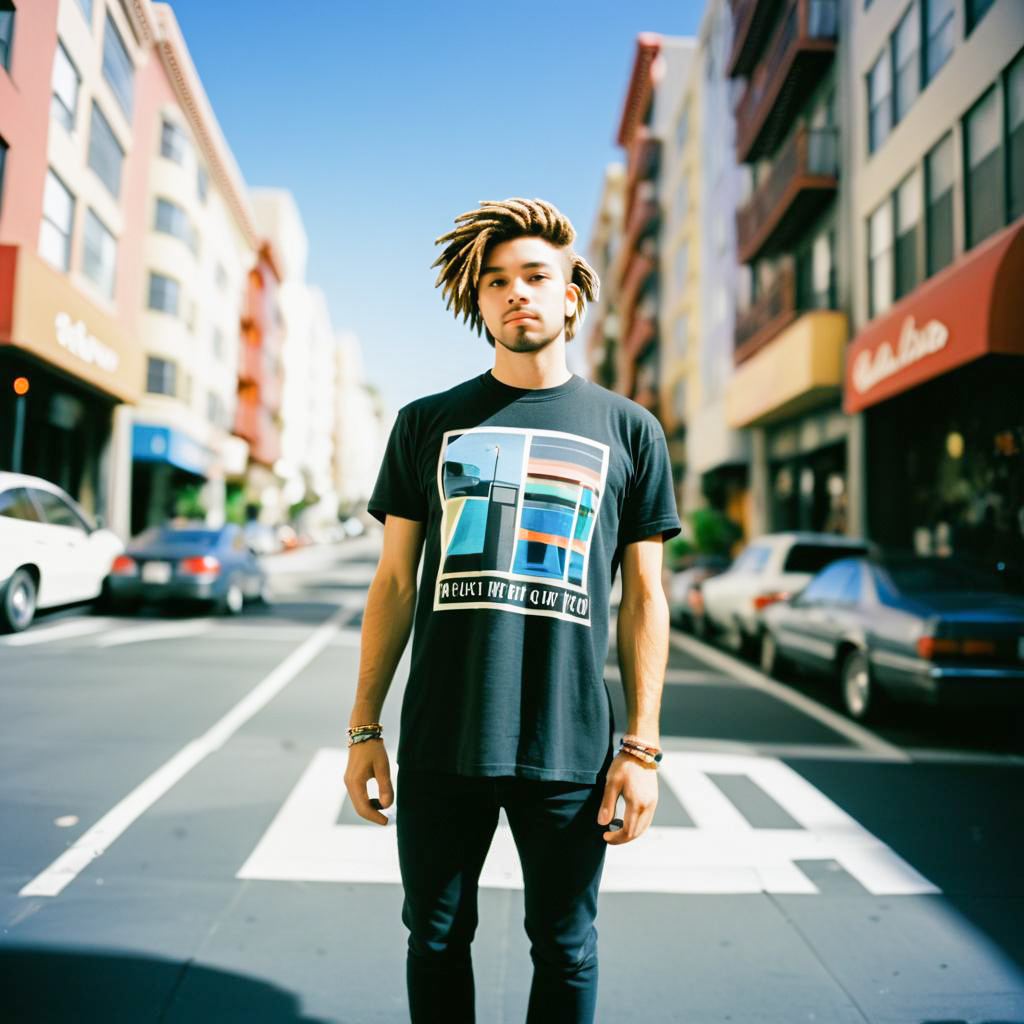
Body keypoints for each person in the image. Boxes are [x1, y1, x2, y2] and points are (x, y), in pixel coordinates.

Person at [344, 197, 681, 1024]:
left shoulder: (630, 431)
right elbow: (392, 584)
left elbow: (646, 596)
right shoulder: (426, 423)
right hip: (441, 738)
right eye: (497, 280)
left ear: (572, 294)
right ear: (477, 298)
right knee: (434, 937)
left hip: (570, 746)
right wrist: (363, 728)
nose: (515, 293)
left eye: (536, 276)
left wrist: (641, 745)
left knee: (565, 949)